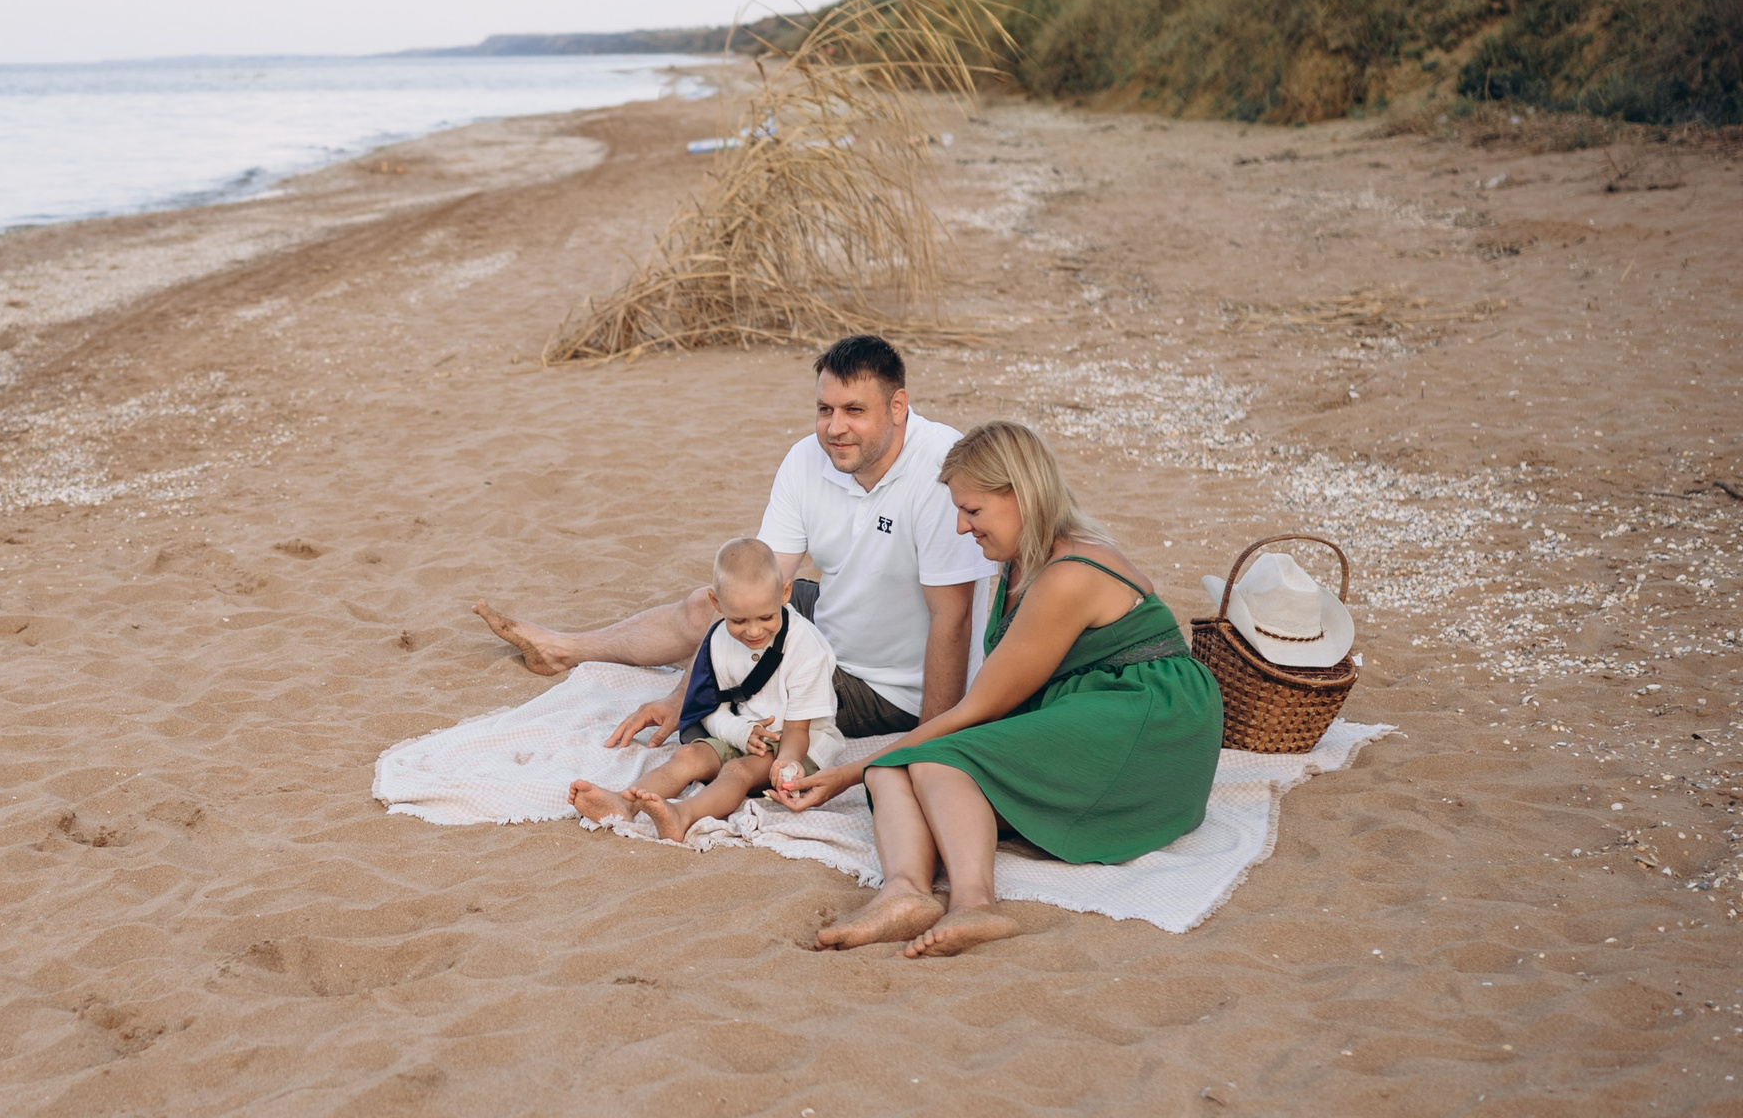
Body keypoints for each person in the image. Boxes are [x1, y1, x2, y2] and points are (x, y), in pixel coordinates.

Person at [773, 420, 1223, 958]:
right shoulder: (1017, 564)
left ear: (1021, 496)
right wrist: (867, 767)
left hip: (1148, 720)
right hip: (1089, 705)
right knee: (892, 765)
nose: (962, 528)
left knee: (937, 761)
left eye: (973, 510)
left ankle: (975, 905)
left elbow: (984, 705)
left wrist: (843, 773)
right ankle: (906, 892)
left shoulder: (1068, 575)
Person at [474, 335, 996, 749]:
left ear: (898, 406)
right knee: (718, 602)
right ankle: (564, 649)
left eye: (854, 411)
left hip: (885, 684)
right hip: (838, 617)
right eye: (824, 410)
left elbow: (953, 620)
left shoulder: (940, 468)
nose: (834, 428)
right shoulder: (806, 459)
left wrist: (930, 744)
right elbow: (759, 581)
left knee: (736, 709)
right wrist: (681, 693)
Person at [568, 539, 845, 842]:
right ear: (716, 603)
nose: (754, 631)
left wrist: (785, 765)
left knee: (737, 771)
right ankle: (625, 802)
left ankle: (683, 814)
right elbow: (712, 711)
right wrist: (741, 732)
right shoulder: (717, 641)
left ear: (785, 593)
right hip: (744, 732)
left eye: (766, 617)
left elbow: (798, 730)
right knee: (688, 755)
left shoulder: (807, 647)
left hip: (800, 746)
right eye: (738, 620)